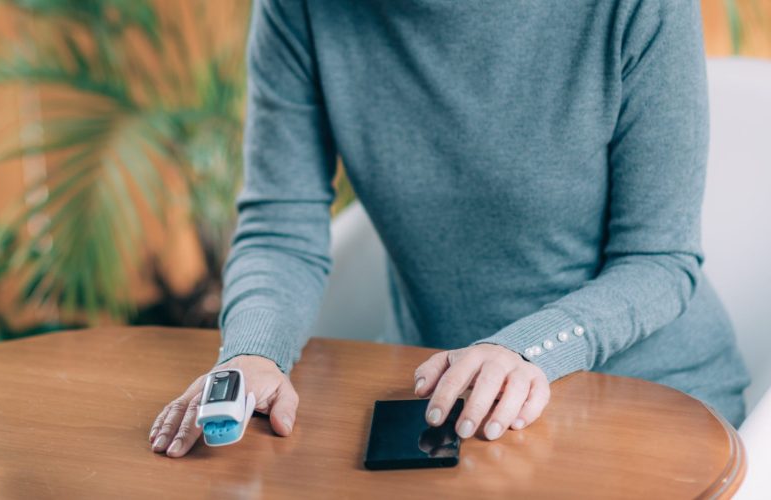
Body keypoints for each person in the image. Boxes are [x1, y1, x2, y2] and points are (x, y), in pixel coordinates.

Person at [149, 0, 750, 458]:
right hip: (440, 405)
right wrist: (254, 353)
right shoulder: (304, 9)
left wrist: (525, 350)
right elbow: (282, 225)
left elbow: (659, 258)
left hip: (644, 397)